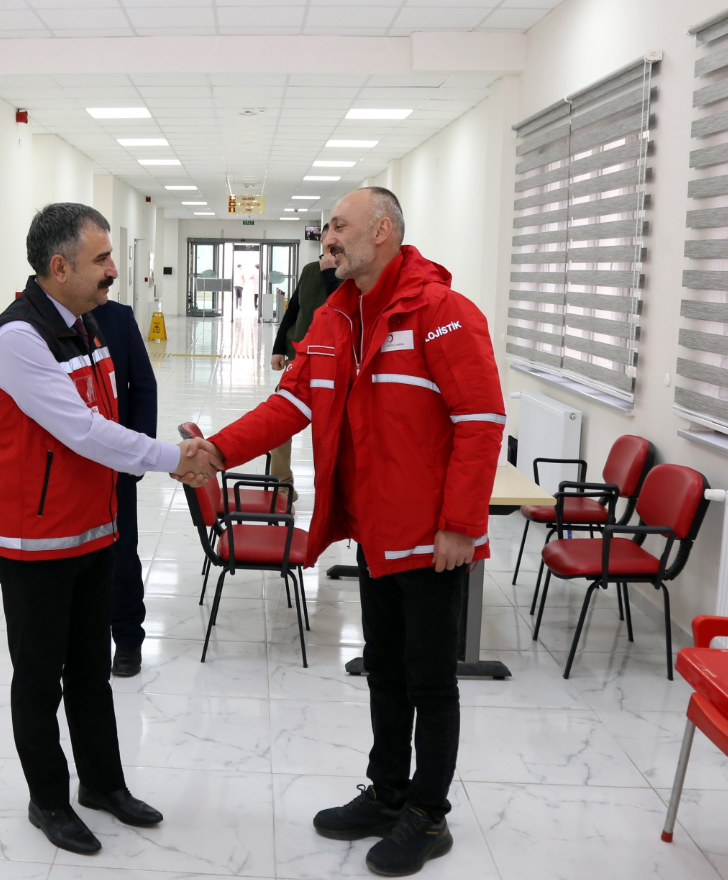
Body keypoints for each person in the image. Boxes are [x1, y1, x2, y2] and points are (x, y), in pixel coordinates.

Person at [192, 187, 505, 877]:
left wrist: (459, 524)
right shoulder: (335, 319)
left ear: (383, 230)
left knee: (429, 680)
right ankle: (388, 792)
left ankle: (427, 815)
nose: (326, 239)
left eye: (339, 226)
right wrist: (215, 451)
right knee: (385, 673)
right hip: (374, 534)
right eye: (327, 228)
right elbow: (287, 406)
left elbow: (480, 423)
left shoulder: (442, 314)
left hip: (429, 541)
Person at [0, 202, 216, 856]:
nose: (114, 271)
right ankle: (48, 801)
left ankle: (102, 785)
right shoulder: (17, 338)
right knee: (38, 675)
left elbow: (112, 414)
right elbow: (80, 429)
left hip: (91, 530)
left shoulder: (86, 326)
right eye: (102, 260)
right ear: (59, 267)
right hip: (34, 541)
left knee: (89, 669)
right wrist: (173, 459)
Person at [89, 297, 158, 677]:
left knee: (121, 553)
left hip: (116, 461)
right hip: (67, 467)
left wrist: (140, 453)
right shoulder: (38, 322)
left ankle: (128, 639)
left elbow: (143, 385)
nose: (109, 270)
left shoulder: (117, 317)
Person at [268, 236, 341, 489]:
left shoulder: (355, 274)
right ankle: (282, 484)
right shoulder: (310, 270)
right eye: (328, 235)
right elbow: (293, 310)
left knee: (331, 430)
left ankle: (331, 489)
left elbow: (340, 307)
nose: (333, 241)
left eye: (341, 230)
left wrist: (331, 273)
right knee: (278, 420)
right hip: (298, 356)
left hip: (334, 363)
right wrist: (278, 348)